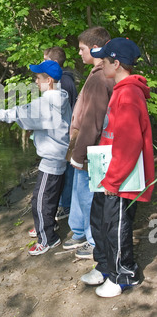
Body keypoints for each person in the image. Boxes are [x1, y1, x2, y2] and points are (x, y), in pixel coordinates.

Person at [0, 60, 72, 255]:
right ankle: (49, 227)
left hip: (52, 158)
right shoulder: (60, 98)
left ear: (48, 80)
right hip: (58, 155)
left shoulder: (47, 103)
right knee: (49, 197)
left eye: (38, 78)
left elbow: (20, 113)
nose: (35, 81)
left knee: (39, 201)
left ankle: (48, 239)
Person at [81, 37, 155, 297]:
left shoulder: (128, 94)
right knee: (100, 220)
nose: (100, 64)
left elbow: (129, 144)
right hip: (109, 173)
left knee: (116, 225)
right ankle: (104, 266)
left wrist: (112, 180)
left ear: (117, 63)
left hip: (121, 180)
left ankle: (124, 273)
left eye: (104, 60)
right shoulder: (119, 91)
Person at [63, 26, 114, 259]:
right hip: (83, 144)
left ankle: (94, 240)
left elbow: (93, 121)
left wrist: (79, 154)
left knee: (88, 192)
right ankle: (79, 230)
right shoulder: (97, 74)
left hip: (91, 147)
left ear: (95, 49)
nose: (79, 53)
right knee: (79, 188)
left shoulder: (100, 77)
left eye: (82, 49)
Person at [44, 46, 78, 221]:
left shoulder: (62, 82)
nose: (43, 63)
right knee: (67, 170)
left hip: (65, 133)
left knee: (66, 172)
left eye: (45, 60)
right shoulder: (67, 79)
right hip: (67, 131)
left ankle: (66, 206)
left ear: (55, 63)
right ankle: (66, 204)